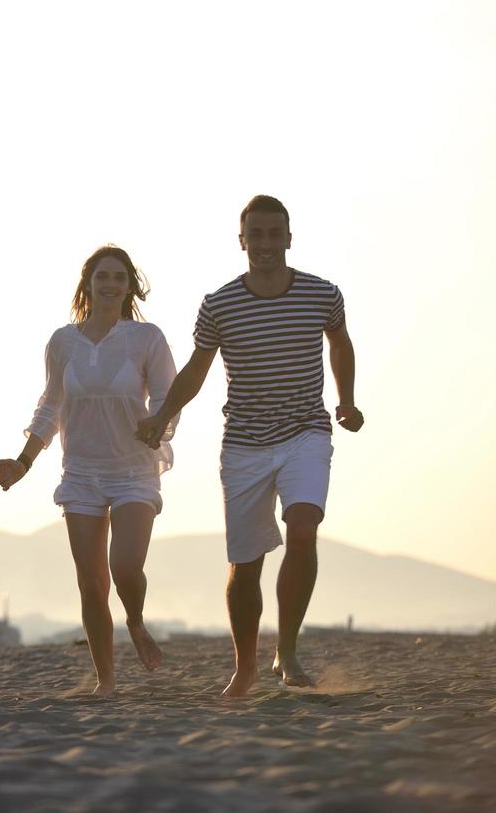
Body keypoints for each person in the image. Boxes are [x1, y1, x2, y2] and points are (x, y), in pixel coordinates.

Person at [137, 195, 364, 698]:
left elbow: (340, 341)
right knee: (245, 562)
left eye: (273, 233)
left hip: (306, 431)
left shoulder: (322, 294)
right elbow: (197, 370)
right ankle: (245, 666)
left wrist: (346, 401)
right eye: (254, 235)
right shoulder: (220, 304)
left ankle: (287, 648)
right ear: (242, 242)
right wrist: (161, 417)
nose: (264, 243)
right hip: (244, 443)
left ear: (289, 237)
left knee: (303, 528)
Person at [0, 245, 176, 697]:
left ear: (129, 285)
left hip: (133, 468)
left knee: (125, 567)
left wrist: (159, 428)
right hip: (81, 473)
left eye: (119, 277)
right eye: (102, 277)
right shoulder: (63, 342)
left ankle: (134, 620)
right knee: (92, 584)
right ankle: (105, 680)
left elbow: (169, 399)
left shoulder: (146, 338)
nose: (110, 284)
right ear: (87, 284)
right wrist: (23, 461)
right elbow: (50, 406)